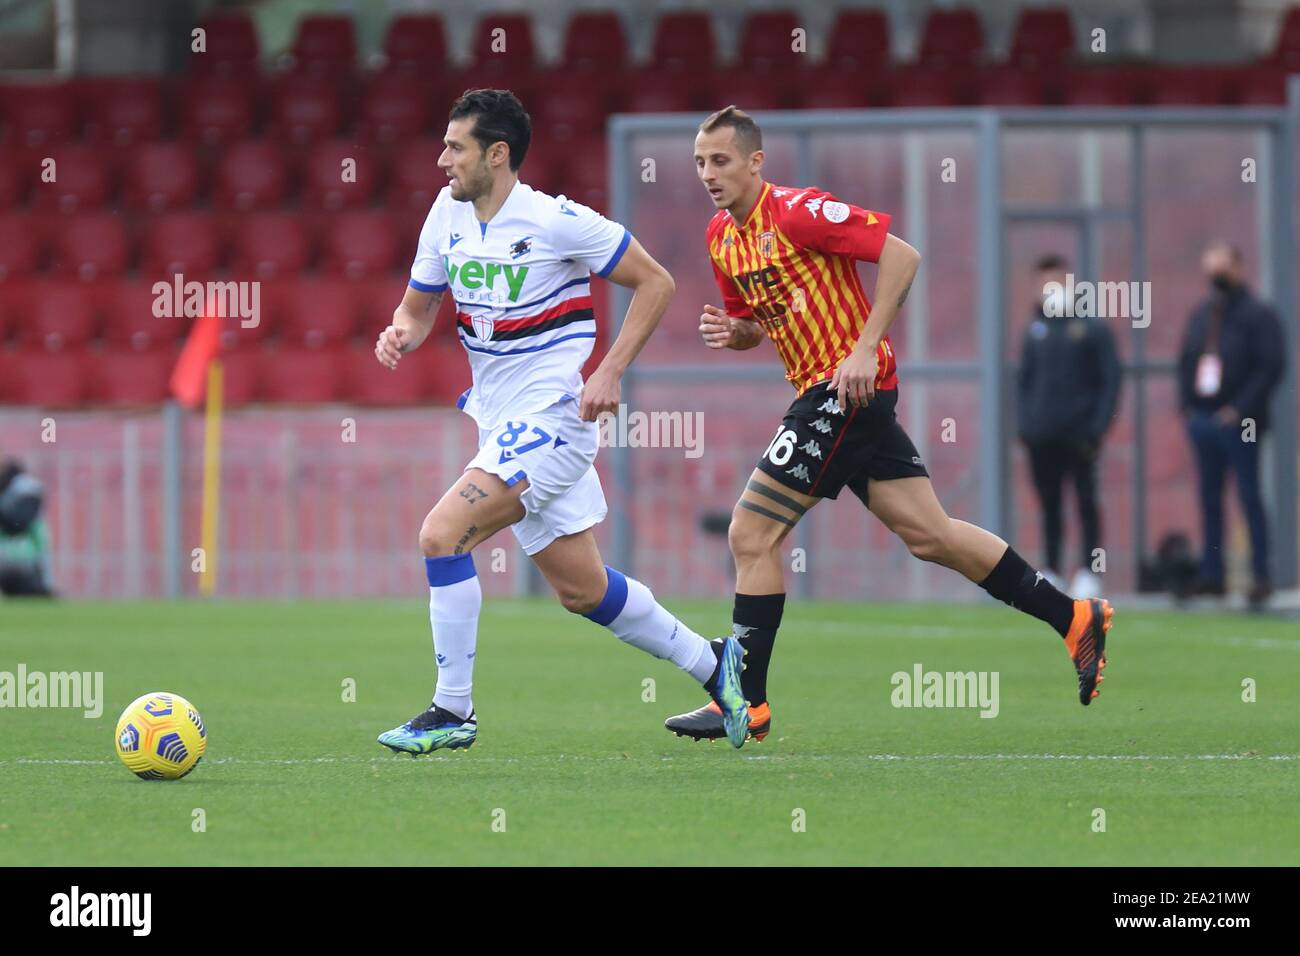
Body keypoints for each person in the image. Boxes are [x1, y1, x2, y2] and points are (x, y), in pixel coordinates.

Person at [663, 106, 1115, 743]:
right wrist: (738, 334)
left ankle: (746, 700)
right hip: (832, 393)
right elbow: (766, 319)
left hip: (844, 391)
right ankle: (1073, 616)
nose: (709, 173)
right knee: (933, 536)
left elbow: (902, 256)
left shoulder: (796, 210)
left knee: (750, 533)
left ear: (755, 162)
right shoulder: (722, 237)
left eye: (722, 160)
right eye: (700, 163)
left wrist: (864, 346)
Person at [372, 90, 750, 753]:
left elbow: (656, 281)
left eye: (455, 147)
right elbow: (417, 307)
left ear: (497, 154)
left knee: (441, 535)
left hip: (552, 419)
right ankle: (714, 664)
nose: (442, 161)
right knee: (583, 590)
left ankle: (451, 709)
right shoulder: (446, 214)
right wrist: (399, 332)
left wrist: (609, 370)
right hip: (500, 425)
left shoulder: (556, 221)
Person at [1177, 239, 1286, 608]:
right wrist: (1188, 409)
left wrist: (1239, 409)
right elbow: (1186, 362)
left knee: (1249, 495)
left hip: (1241, 422)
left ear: (1238, 267)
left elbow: (1271, 366)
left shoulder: (1258, 315)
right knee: (1209, 499)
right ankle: (1212, 574)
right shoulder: (1203, 315)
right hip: (1203, 419)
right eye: (1211, 267)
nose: (1216, 275)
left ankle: (1260, 574)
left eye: (1221, 267)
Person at [1016, 253, 1121, 599]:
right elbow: (1024, 382)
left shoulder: (1091, 328)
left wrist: (1097, 428)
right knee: (1049, 504)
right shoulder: (1035, 331)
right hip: (1041, 436)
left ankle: (1091, 571)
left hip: (1081, 435)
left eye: (1057, 280)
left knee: (1087, 502)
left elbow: (1109, 381)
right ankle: (1052, 569)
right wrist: (1025, 426)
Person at [0, 458, 54, 597]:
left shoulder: (25, 487)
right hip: (9, 555)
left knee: (30, 594)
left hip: (27, 554)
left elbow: (19, 523)